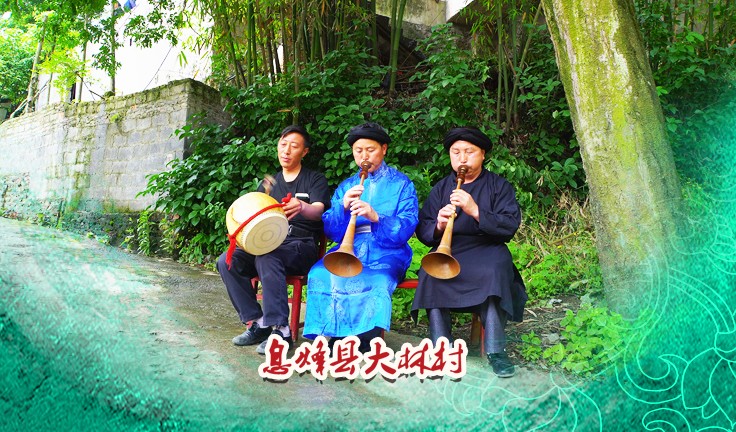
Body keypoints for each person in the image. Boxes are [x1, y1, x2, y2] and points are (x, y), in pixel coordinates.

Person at [411, 127, 527, 378]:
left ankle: (496, 351)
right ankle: (442, 348)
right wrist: (439, 224)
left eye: (469, 152)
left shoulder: (499, 186)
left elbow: (509, 225)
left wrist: (475, 210)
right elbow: (423, 230)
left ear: (482, 154)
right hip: (452, 248)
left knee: (494, 271)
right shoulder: (441, 188)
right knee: (431, 272)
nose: (462, 158)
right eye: (456, 153)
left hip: (489, 247)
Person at [303, 122, 419, 352]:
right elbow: (331, 230)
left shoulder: (402, 184)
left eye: (370, 150)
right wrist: (342, 207)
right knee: (320, 273)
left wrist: (376, 217)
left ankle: (365, 338)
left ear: (384, 149)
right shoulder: (347, 185)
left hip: (388, 250)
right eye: (358, 151)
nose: (364, 156)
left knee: (376, 279)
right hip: (351, 245)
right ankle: (337, 334)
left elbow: (407, 224)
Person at [216, 125, 330, 354]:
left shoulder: (314, 179)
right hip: (266, 244)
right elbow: (252, 215)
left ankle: (281, 331)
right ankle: (258, 323)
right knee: (227, 261)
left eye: (294, 146)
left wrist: (303, 207)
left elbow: (319, 211)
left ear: (304, 152)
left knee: (267, 257)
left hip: (300, 246)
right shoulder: (270, 183)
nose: (286, 150)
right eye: (283, 144)